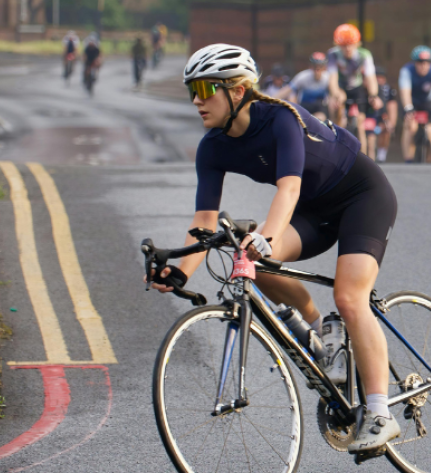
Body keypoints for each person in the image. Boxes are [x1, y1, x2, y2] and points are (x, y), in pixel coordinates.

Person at [148, 44, 401, 453]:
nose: (197, 99)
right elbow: (204, 222)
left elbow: (290, 187)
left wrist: (265, 235)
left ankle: (379, 413)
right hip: (314, 210)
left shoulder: (280, 118)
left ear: (237, 90)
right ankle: (323, 331)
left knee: (350, 296)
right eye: (191, 89)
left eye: (205, 87)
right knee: (254, 264)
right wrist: (180, 270)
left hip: (361, 196)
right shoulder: (212, 147)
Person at [327, 24, 382, 144]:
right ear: (338, 45)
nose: (347, 49)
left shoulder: (364, 55)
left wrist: (373, 95)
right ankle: (335, 137)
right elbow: (332, 78)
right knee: (337, 107)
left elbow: (371, 77)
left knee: (361, 122)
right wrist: (336, 95)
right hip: (341, 87)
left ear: (357, 44)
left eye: (350, 44)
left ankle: (364, 155)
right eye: (343, 45)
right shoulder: (333, 54)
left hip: (357, 87)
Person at [398, 46, 431, 163]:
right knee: (410, 127)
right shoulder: (407, 70)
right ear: (415, 63)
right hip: (412, 103)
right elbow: (405, 91)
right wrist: (408, 108)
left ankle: (429, 159)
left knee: (430, 131)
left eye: (426, 62)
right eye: (419, 62)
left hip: (428, 104)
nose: (423, 65)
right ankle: (408, 159)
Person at [290, 52, 333, 120]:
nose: (317, 70)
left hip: (320, 107)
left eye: (320, 67)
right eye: (315, 67)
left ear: (324, 67)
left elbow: (333, 93)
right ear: (310, 66)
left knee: (320, 117)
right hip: (304, 106)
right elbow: (288, 90)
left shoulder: (328, 78)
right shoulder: (302, 76)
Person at [372, 66, 398, 163]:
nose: (379, 79)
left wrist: (391, 122)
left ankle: (381, 155)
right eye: (377, 77)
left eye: (381, 77)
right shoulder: (369, 88)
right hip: (371, 115)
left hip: (383, 116)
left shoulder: (389, 89)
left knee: (386, 129)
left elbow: (392, 105)